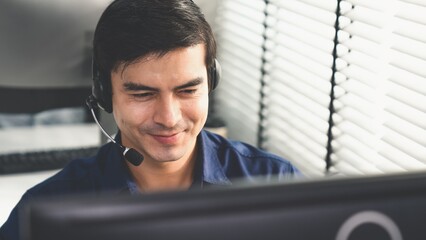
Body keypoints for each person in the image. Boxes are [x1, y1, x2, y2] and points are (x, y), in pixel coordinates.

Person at [0, 0, 300, 239]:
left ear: (211, 82)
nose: (169, 118)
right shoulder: (47, 208)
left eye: (187, 90)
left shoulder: (277, 183)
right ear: (105, 93)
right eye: (142, 94)